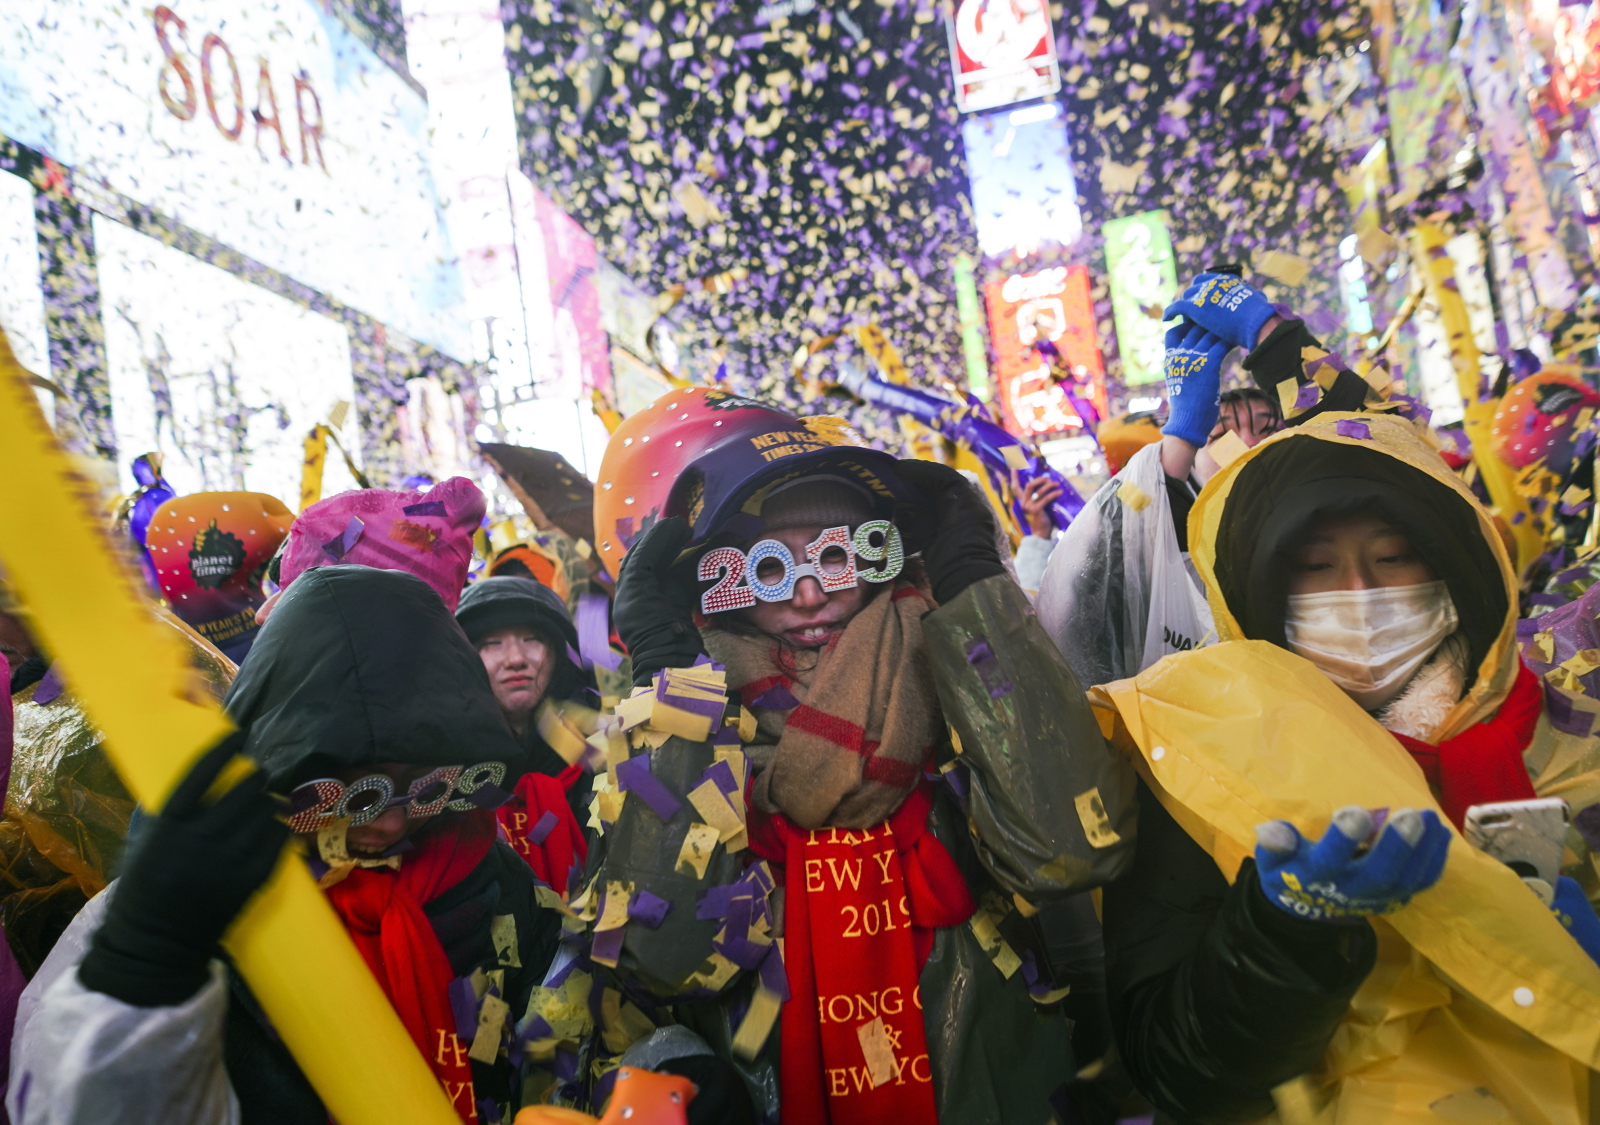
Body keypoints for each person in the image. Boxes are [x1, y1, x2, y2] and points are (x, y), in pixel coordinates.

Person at [557, 388, 1136, 1124]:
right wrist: (668, 680)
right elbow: (663, 955)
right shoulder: (681, 718)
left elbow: (1072, 851)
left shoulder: (955, 668)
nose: (807, 594)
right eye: (767, 568)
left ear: (880, 557)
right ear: (721, 585)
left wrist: (974, 587)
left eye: (839, 555)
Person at [1091, 409, 1600, 1123]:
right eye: (1314, 567)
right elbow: (1177, 1074)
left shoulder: (1572, 728)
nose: (1359, 595)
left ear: (1456, 562)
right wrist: (1281, 931)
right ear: (1262, 584)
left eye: (1394, 558)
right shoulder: (1197, 749)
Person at [9, 566, 562, 1125]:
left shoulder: (501, 883)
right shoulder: (180, 906)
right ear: (278, 768)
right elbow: (68, 1108)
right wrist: (143, 968)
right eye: (348, 791)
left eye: (426, 787)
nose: (390, 825)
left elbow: (560, 1060)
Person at [456, 575, 595, 894]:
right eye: (492, 643)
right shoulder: (444, 774)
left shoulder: (608, 756)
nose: (516, 659)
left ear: (559, 654)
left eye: (532, 639)